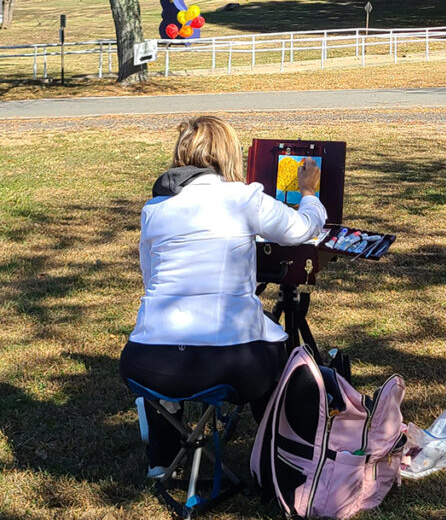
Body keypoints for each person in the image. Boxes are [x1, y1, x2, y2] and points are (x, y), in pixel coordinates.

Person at [119, 115, 327, 476]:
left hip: (146, 361)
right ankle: (280, 457)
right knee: (278, 353)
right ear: (229, 155)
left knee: (180, 348)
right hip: (230, 365)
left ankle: (163, 452)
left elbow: (151, 280)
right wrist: (308, 192)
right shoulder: (241, 198)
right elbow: (301, 230)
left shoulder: (153, 211)